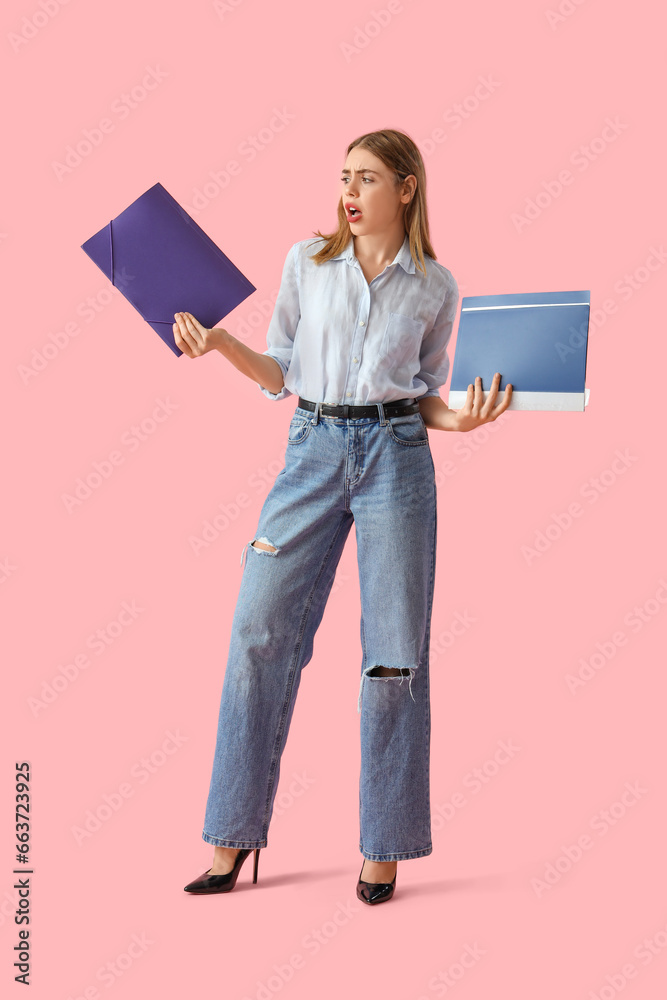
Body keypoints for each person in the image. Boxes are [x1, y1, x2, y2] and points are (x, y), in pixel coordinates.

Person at [177, 128, 513, 904]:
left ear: (405, 188)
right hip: (312, 446)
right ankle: (232, 836)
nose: (349, 193)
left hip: (396, 455)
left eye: (366, 178)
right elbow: (279, 368)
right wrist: (223, 342)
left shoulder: (436, 285)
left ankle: (383, 846)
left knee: (393, 654)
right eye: (342, 178)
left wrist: (462, 421)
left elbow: (424, 390)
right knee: (257, 631)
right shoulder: (307, 261)